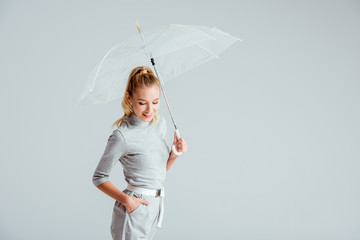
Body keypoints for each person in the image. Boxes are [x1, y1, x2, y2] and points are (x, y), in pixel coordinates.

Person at [92, 66, 188, 240]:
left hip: (155, 206)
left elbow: (155, 174)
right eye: (142, 102)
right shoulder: (122, 135)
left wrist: (174, 154)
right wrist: (127, 200)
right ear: (129, 98)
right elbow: (99, 177)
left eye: (155, 102)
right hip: (135, 207)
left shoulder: (160, 125)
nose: (150, 110)